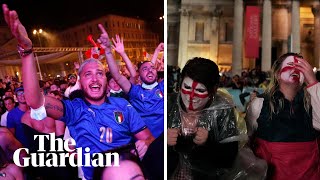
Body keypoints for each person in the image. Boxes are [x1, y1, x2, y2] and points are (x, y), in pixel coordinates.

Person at [2, 4, 154, 180]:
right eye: (88, 74)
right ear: (80, 83)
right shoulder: (74, 110)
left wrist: (146, 144)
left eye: (99, 73)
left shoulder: (124, 106)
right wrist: (27, 52)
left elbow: (148, 137)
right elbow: (35, 100)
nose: (95, 78)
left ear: (106, 79)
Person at [245, 53, 320, 179]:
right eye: (290, 65)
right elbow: (246, 140)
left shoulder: (313, 102)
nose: (295, 70)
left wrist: (313, 82)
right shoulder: (259, 104)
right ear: (278, 74)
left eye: (300, 67)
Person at [167, 57, 239, 179]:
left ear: (214, 90)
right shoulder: (169, 103)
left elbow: (229, 159)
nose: (191, 96)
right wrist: (165, 141)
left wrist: (208, 144)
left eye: (200, 90)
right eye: (187, 87)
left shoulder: (222, 110)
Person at [98, 27, 164, 139]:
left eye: (152, 68)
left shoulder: (163, 87)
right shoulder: (135, 91)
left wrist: (158, 51)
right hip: (146, 143)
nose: (149, 70)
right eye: (144, 69)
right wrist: (109, 51)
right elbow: (117, 76)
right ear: (139, 76)